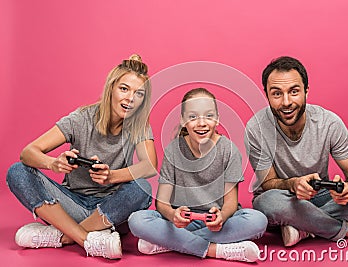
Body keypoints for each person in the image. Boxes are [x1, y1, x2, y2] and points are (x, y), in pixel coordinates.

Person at [6, 54, 157, 259]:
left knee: (143, 188)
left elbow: (149, 166)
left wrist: (111, 176)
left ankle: (63, 236)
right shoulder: (81, 118)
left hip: (110, 210)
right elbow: (28, 153)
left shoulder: (138, 125)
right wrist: (54, 163)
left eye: (138, 94)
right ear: (111, 88)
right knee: (17, 171)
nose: (130, 98)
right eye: (124, 89)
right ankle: (88, 238)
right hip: (70, 204)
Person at [245, 56, 348, 247]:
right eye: (277, 94)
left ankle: (304, 227)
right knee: (267, 203)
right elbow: (267, 184)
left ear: (306, 91)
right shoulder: (255, 128)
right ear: (266, 95)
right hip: (284, 201)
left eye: (294, 92)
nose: (286, 102)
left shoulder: (329, 122)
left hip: (321, 197)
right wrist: (294, 184)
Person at [128, 88, 267, 262]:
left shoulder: (229, 151)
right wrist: (173, 215)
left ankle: (169, 243)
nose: (201, 123)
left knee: (258, 220)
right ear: (183, 120)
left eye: (209, 116)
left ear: (217, 119)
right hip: (181, 223)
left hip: (216, 224)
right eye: (193, 117)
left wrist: (221, 217)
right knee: (137, 220)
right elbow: (161, 203)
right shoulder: (174, 150)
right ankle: (214, 250)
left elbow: (231, 203)